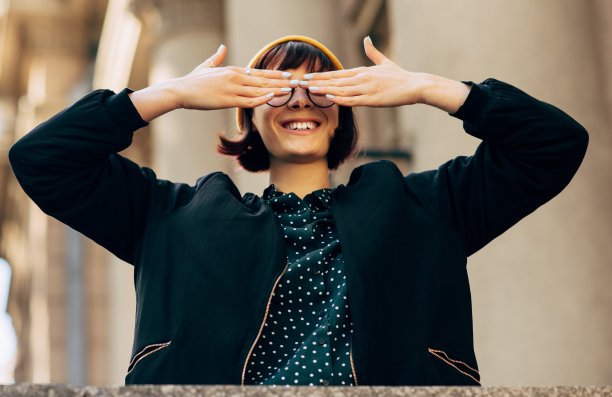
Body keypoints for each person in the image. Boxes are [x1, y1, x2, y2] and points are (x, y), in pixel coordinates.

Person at [8, 35, 588, 386]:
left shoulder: (425, 208)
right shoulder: (171, 217)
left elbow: (554, 144)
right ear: (248, 117)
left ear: (346, 111)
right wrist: (172, 94)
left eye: (321, 88)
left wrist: (428, 87)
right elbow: (42, 160)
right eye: (275, 89)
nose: (300, 100)